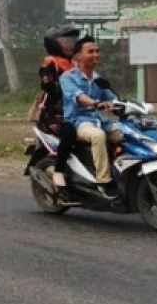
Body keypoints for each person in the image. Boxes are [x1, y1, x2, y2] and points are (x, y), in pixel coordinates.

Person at [59, 36, 122, 193]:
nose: (96, 55)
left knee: (127, 133)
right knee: (98, 136)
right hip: (78, 122)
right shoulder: (67, 77)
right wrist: (95, 103)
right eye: (91, 51)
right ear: (79, 55)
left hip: (100, 120)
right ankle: (104, 181)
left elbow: (112, 97)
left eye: (97, 51)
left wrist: (123, 105)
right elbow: (79, 97)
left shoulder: (98, 78)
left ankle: (125, 173)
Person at [31, 26, 80, 189]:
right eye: (65, 41)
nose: (70, 45)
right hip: (55, 113)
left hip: (76, 111)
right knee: (70, 132)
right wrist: (74, 93)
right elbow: (49, 87)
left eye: (72, 41)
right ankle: (59, 170)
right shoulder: (50, 63)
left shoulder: (74, 63)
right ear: (54, 44)